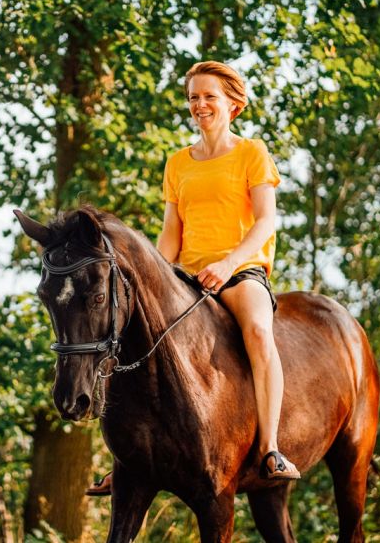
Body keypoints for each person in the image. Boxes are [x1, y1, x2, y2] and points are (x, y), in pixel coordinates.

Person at [86, 60, 299, 497]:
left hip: (240, 272)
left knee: (259, 331)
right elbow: (170, 234)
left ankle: (271, 448)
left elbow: (266, 222)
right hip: (186, 277)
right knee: (125, 340)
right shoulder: (177, 163)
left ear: (232, 105)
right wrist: (151, 280)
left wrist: (228, 264)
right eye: (193, 98)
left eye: (209, 97)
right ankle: (123, 461)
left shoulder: (251, 153)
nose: (200, 104)